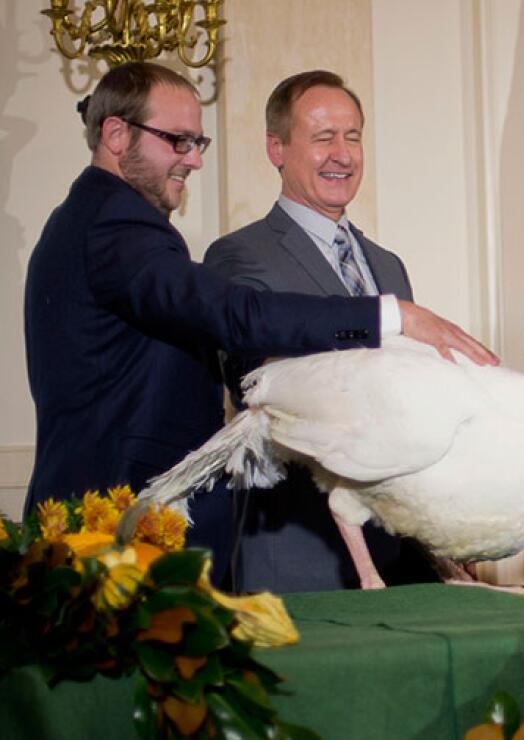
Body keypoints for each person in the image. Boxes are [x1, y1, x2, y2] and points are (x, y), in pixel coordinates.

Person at [22, 63, 495, 574]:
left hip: (134, 524)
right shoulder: (115, 223)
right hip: (116, 524)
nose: (193, 160)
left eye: (197, 142)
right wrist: (392, 315)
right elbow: (236, 316)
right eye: (177, 141)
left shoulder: (104, 220)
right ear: (116, 134)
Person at [202, 70, 435, 593]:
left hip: (391, 558)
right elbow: (257, 385)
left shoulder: (388, 267)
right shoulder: (239, 256)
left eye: (352, 137)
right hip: (294, 555)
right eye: (323, 137)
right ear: (276, 148)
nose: (343, 154)